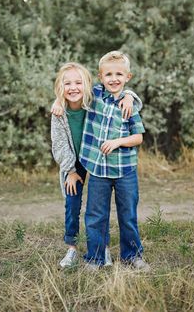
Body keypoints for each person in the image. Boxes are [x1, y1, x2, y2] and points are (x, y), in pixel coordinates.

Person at [51, 61, 140, 268]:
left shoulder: (94, 100)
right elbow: (59, 145)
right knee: (72, 202)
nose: (73, 88)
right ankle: (72, 247)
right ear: (60, 87)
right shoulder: (59, 112)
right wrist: (71, 171)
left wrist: (129, 96)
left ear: (88, 85)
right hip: (73, 162)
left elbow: (118, 90)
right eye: (67, 84)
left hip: (96, 158)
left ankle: (104, 248)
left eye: (78, 83)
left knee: (98, 205)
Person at [79, 51, 150, 271]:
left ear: (128, 77)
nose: (114, 78)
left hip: (124, 170)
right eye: (108, 74)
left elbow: (138, 137)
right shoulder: (95, 96)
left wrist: (118, 141)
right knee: (95, 216)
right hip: (98, 169)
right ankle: (96, 257)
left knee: (127, 215)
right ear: (100, 77)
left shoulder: (129, 105)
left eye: (119, 74)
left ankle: (132, 255)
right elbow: (72, 91)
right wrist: (58, 103)